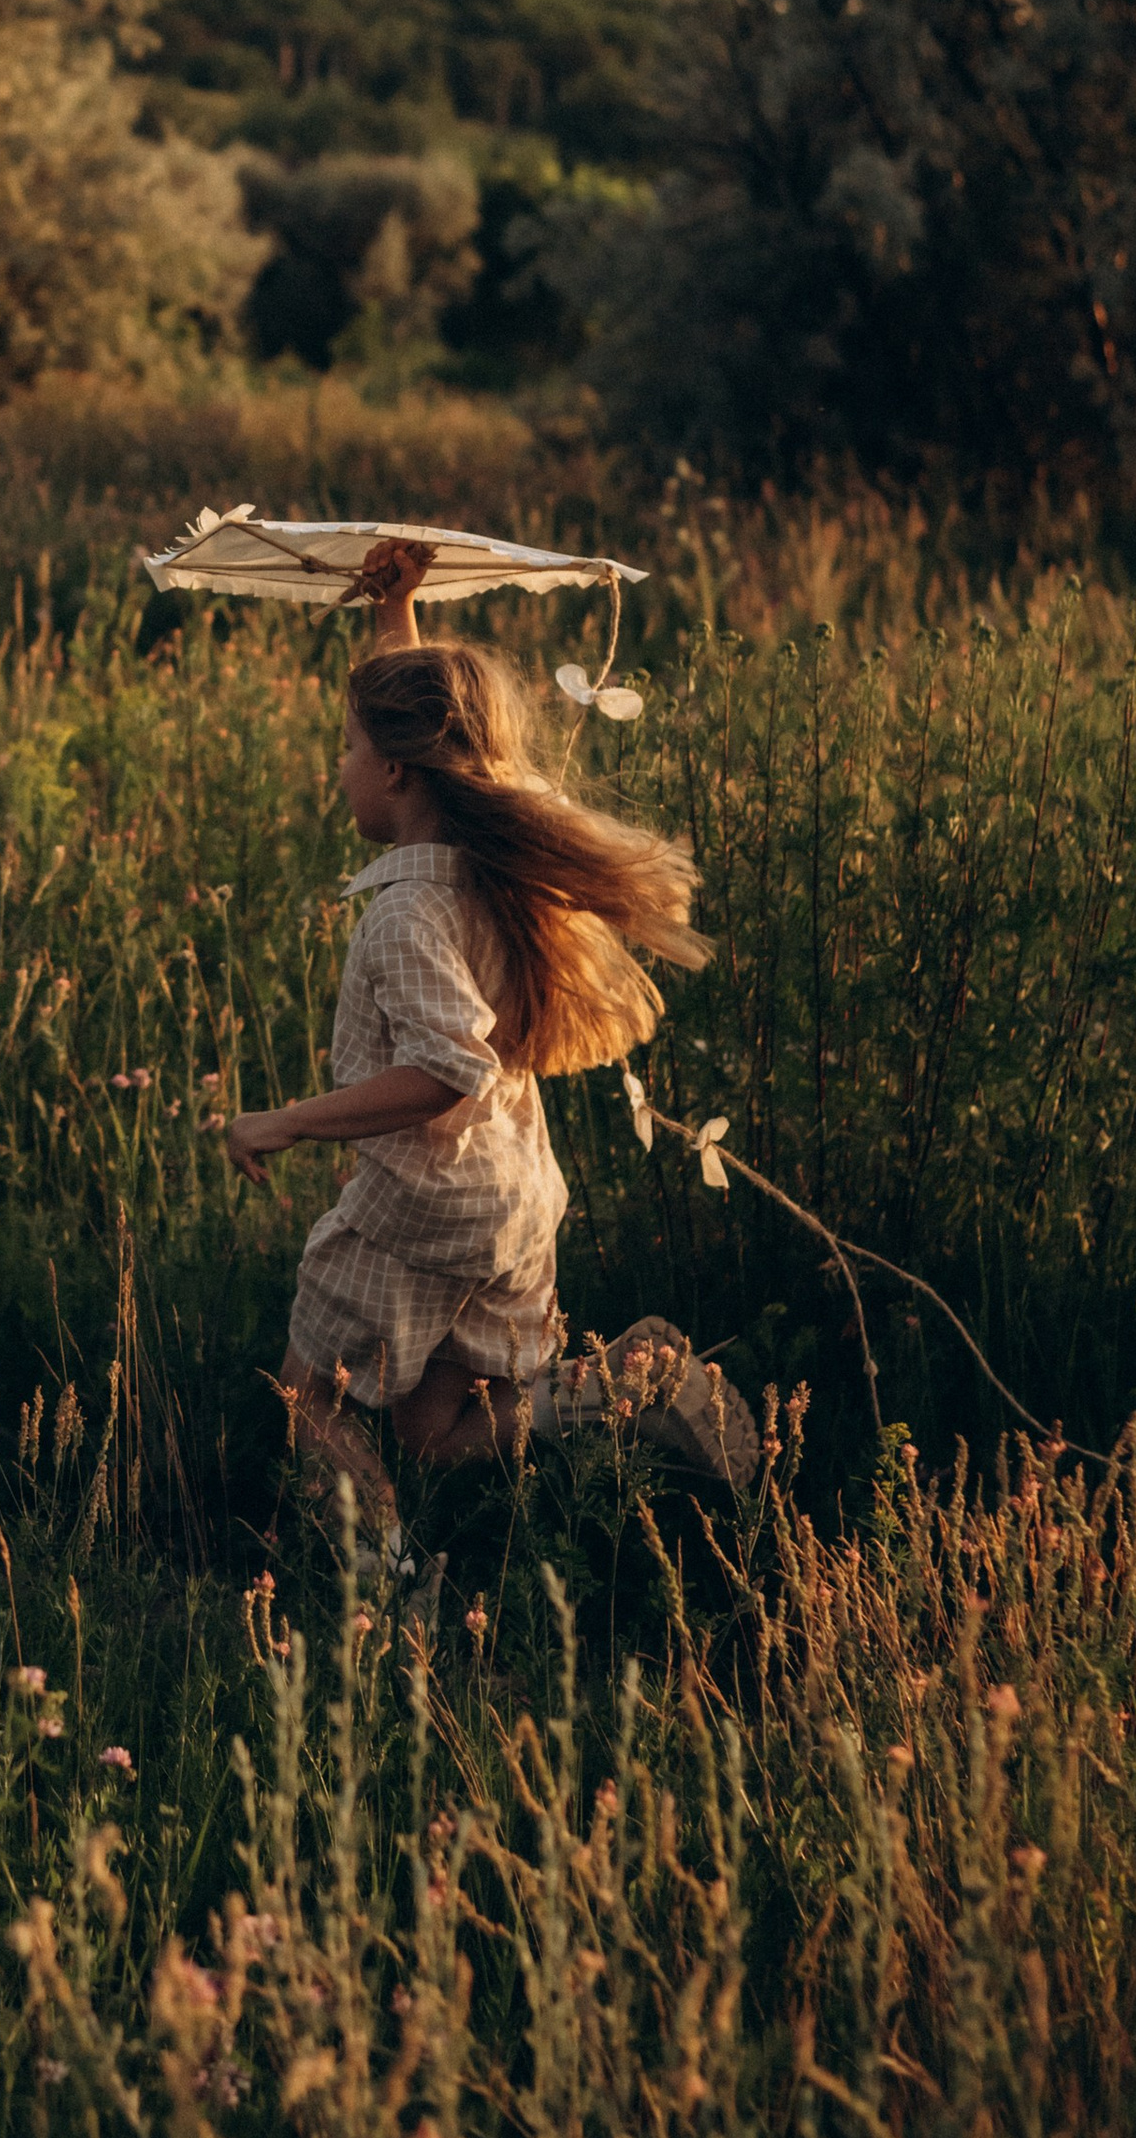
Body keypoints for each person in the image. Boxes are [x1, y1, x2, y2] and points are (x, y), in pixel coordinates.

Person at [224, 539, 755, 1560]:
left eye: (344, 748)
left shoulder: (404, 913)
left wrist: (283, 1120)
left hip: (420, 1214)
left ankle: (391, 1598)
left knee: (303, 1401)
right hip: (512, 1198)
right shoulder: (492, 863)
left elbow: (445, 1073)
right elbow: (441, 740)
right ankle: (622, 1386)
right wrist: (397, 614)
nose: (337, 769)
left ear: (390, 768)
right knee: (432, 1438)